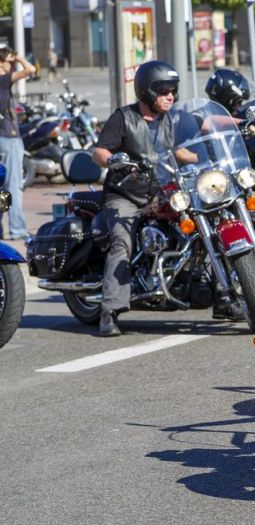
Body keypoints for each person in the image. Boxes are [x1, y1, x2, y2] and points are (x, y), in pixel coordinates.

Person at [91, 61, 182, 336]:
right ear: (147, 92)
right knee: (122, 242)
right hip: (126, 195)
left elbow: (196, 134)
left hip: (162, 194)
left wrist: (208, 152)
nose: (170, 96)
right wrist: (114, 161)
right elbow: (99, 151)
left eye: (173, 91)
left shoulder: (172, 119)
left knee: (201, 224)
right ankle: (110, 311)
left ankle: (227, 297)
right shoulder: (123, 117)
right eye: (164, 91)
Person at [0, 48, 35, 242]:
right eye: (9, 63)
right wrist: (20, 57)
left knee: (1, 186)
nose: (12, 66)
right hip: (9, 137)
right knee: (13, 184)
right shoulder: (3, 80)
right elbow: (30, 70)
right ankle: (17, 228)